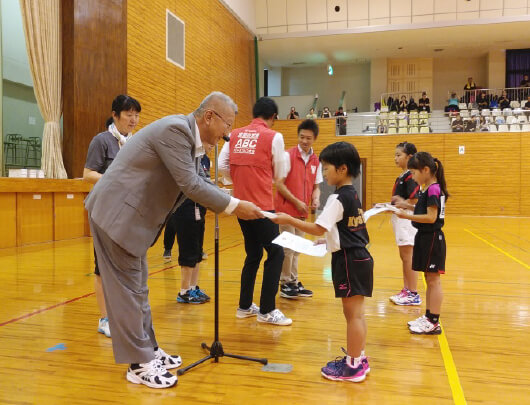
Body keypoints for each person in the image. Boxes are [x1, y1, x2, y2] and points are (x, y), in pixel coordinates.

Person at [84, 91, 264, 389]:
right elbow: (191, 184)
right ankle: (138, 364)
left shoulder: (191, 142)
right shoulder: (176, 131)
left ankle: (149, 349)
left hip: (131, 221)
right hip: (115, 217)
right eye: (227, 125)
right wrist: (233, 207)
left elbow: (201, 181)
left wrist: (234, 200)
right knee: (128, 293)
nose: (228, 134)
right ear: (210, 116)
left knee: (138, 289)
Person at [271, 142, 373, 383]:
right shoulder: (352, 194)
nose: (323, 173)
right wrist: (328, 243)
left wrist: (289, 219)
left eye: (326, 168)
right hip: (358, 257)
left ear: (342, 169)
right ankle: (359, 358)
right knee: (357, 315)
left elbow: (318, 227)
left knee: (353, 316)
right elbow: (348, 229)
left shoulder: (338, 197)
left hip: (349, 261)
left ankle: (353, 366)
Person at [219, 97, 292, 326]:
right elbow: (279, 172)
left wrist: (240, 181)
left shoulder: (235, 134)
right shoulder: (274, 136)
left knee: (253, 254)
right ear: (273, 118)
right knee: (276, 253)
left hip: (240, 206)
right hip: (262, 207)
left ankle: (244, 306)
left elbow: (222, 165)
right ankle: (267, 310)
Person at [83, 94, 141, 338]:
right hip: (105, 213)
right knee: (102, 268)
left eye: (136, 115)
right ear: (115, 115)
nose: (133, 119)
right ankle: (105, 318)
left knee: (125, 267)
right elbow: (87, 174)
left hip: (128, 213)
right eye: (129, 114)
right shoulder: (102, 141)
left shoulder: (135, 143)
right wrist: (114, 180)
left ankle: (120, 314)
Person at [395, 152, 449, 335]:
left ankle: (433, 321)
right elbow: (423, 208)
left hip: (432, 238)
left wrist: (406, 215)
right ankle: (428, 316)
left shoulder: (434, 188)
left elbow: (431, 216)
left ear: (426, 170)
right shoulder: (429, 188)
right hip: (425, 237)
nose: (414, 177)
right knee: (429, 279)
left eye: (415, 173)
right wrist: (407, 206)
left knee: (433, 280)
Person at [275, 119, 322, 299]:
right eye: (302, 137)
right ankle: (285, 283)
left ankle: (293, 281)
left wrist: (316, 198)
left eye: (308, 138)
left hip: (302, 211)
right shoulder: (287, 156)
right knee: (288, 248)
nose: (304, 141)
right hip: (286, 210)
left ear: (314, 139)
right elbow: (278, 184)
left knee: (297, 248)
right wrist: (295, 201)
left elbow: (316, 186)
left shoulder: (315, 160)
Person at [388, 142, 421, 306]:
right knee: (404, 256)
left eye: (398, 155)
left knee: (408, 257)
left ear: (409, 157)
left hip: (407, 219)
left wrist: (401, 204)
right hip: (400, 218)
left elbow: (414, 199)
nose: (395, 158)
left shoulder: (411, 175)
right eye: (395, 155)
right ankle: (407, 289)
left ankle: (413, 292)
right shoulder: (402, 176)